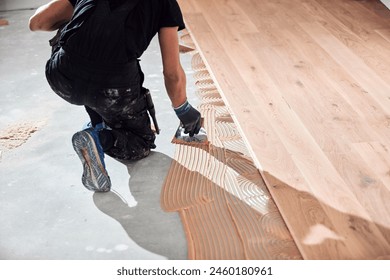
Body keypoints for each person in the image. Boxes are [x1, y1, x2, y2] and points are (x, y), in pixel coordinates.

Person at [29, 0, 201, 192]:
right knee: (141, 142)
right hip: (113, 90)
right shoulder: (165, 4)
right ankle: (99, 138)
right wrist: (182, 108)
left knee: (79, 40)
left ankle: (98, 122)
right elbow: (171, 72)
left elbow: (37, 23)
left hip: (62, 78)